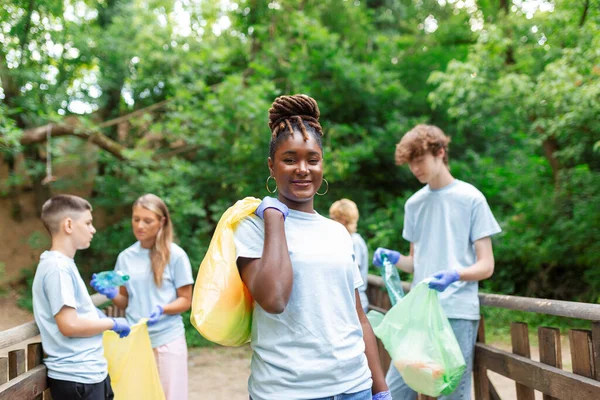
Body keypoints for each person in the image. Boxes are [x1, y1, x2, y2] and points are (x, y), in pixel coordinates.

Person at [233, 94, 391, 400]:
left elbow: (357, 316)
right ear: (272, 165)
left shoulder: (338, 233)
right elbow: (274, 298)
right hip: (286, 392)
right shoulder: (252, 226)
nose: (302, 168)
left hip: (353, 387)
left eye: (312, 159)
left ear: (322, 164)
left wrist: (380, 389)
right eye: (289, 159)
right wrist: (276, 218)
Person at [374, 124, 501, 400]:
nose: (415, 169)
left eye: (419, 160)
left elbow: (486, 265)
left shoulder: (472, 198)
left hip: (456, 312)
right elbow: (416, 263)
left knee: (451, 396)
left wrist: (455, 274)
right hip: (419, 313)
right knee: (393, 391)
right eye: (410, 164)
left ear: (440, 152)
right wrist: (395, 260)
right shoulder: (414, 204)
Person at [91, 194, 194, 400]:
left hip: (168, 339)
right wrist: (111, 294)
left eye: (147, 220)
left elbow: (186, 299)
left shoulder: (176, 256)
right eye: (136, 219)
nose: (140, 225)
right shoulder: (125, 257)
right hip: (135, 340)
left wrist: (163, 309)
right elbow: (125, 301)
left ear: (161, 222)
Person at [32, 194, 130, 400]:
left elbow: (77, 313)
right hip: (78, 377)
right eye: (88, 223)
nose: (92, 229)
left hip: (90, 374)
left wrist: (98, 316)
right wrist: (111, 323)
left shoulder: (64, 264)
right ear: (68, 225)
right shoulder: (57, 268)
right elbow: (69, 325)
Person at [330, 198, 370, 313]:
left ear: (343, 219)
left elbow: (350, 273)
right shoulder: (340, 239)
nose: (330, 221)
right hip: (344, 301)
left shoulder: (354, 241)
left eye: (333, 218)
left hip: (354, 303)